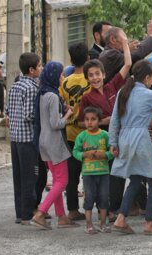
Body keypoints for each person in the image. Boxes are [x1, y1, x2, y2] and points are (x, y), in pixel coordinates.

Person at [109, 60, 152, 235]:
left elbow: (114, 119)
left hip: (124, 138)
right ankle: (149, 222)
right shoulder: (147, 94)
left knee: (136, 179)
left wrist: (113, 142)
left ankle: (121, 219)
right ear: (147, 77)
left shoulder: (123, 91)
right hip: (140, 139)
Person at [78, 34, 131, 219]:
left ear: (104, 74)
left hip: (118, 137)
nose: (95, 78)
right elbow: (80, 122)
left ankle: (114, 208)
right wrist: (101, 122)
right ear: (87, 79)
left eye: (97, 74)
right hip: (100, 141)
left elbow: (127, 65)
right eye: (91, 75)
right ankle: (105, 209)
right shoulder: (86, 98)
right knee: (104, 177)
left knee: (118, 175)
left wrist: (124, 43)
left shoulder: (112, 86)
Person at [31, 61, 78, 230]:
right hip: (53, 143)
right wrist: (68, 115)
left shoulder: (44, 93)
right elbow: (56, 124)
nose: (62, 77)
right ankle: (41, 212)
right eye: (60, 74)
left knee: (56, 180)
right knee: (62, 182)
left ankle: (62, 217)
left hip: (44, 142)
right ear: (53, 76)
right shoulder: (52, 96)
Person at [5, 52, 42, 225]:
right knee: (30, 177)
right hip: (28, 139)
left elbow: (8, 112)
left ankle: (20, 212)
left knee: (18, 177)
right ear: (32, 70)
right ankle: (28, 213)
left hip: (15, 138)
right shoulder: (31, 88)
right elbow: (29, 115)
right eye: (40, 66)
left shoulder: (15, 86)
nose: (41, 69)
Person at [59, 42, 91, 221]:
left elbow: (62, 103)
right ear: (88, 58)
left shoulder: (65, 83)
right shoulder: (91, 79)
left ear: (71, 60)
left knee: (72, 174)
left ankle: (72, 209)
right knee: (92, 170)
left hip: (70, 132)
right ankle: (92, 206)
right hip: (89, 132)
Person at [73, 107, 113, 234]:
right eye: (86, 119)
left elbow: (112, 151)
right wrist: (84, 155)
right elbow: (75, 152)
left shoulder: (105, 135)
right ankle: (89, 225)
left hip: (103, 172)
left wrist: (105, 155)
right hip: (88, 174)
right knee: (89, 198)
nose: (89, 122)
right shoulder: (82, 136)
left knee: (104, 198)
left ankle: (102, 224)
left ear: (99, 121)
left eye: (93, 119)